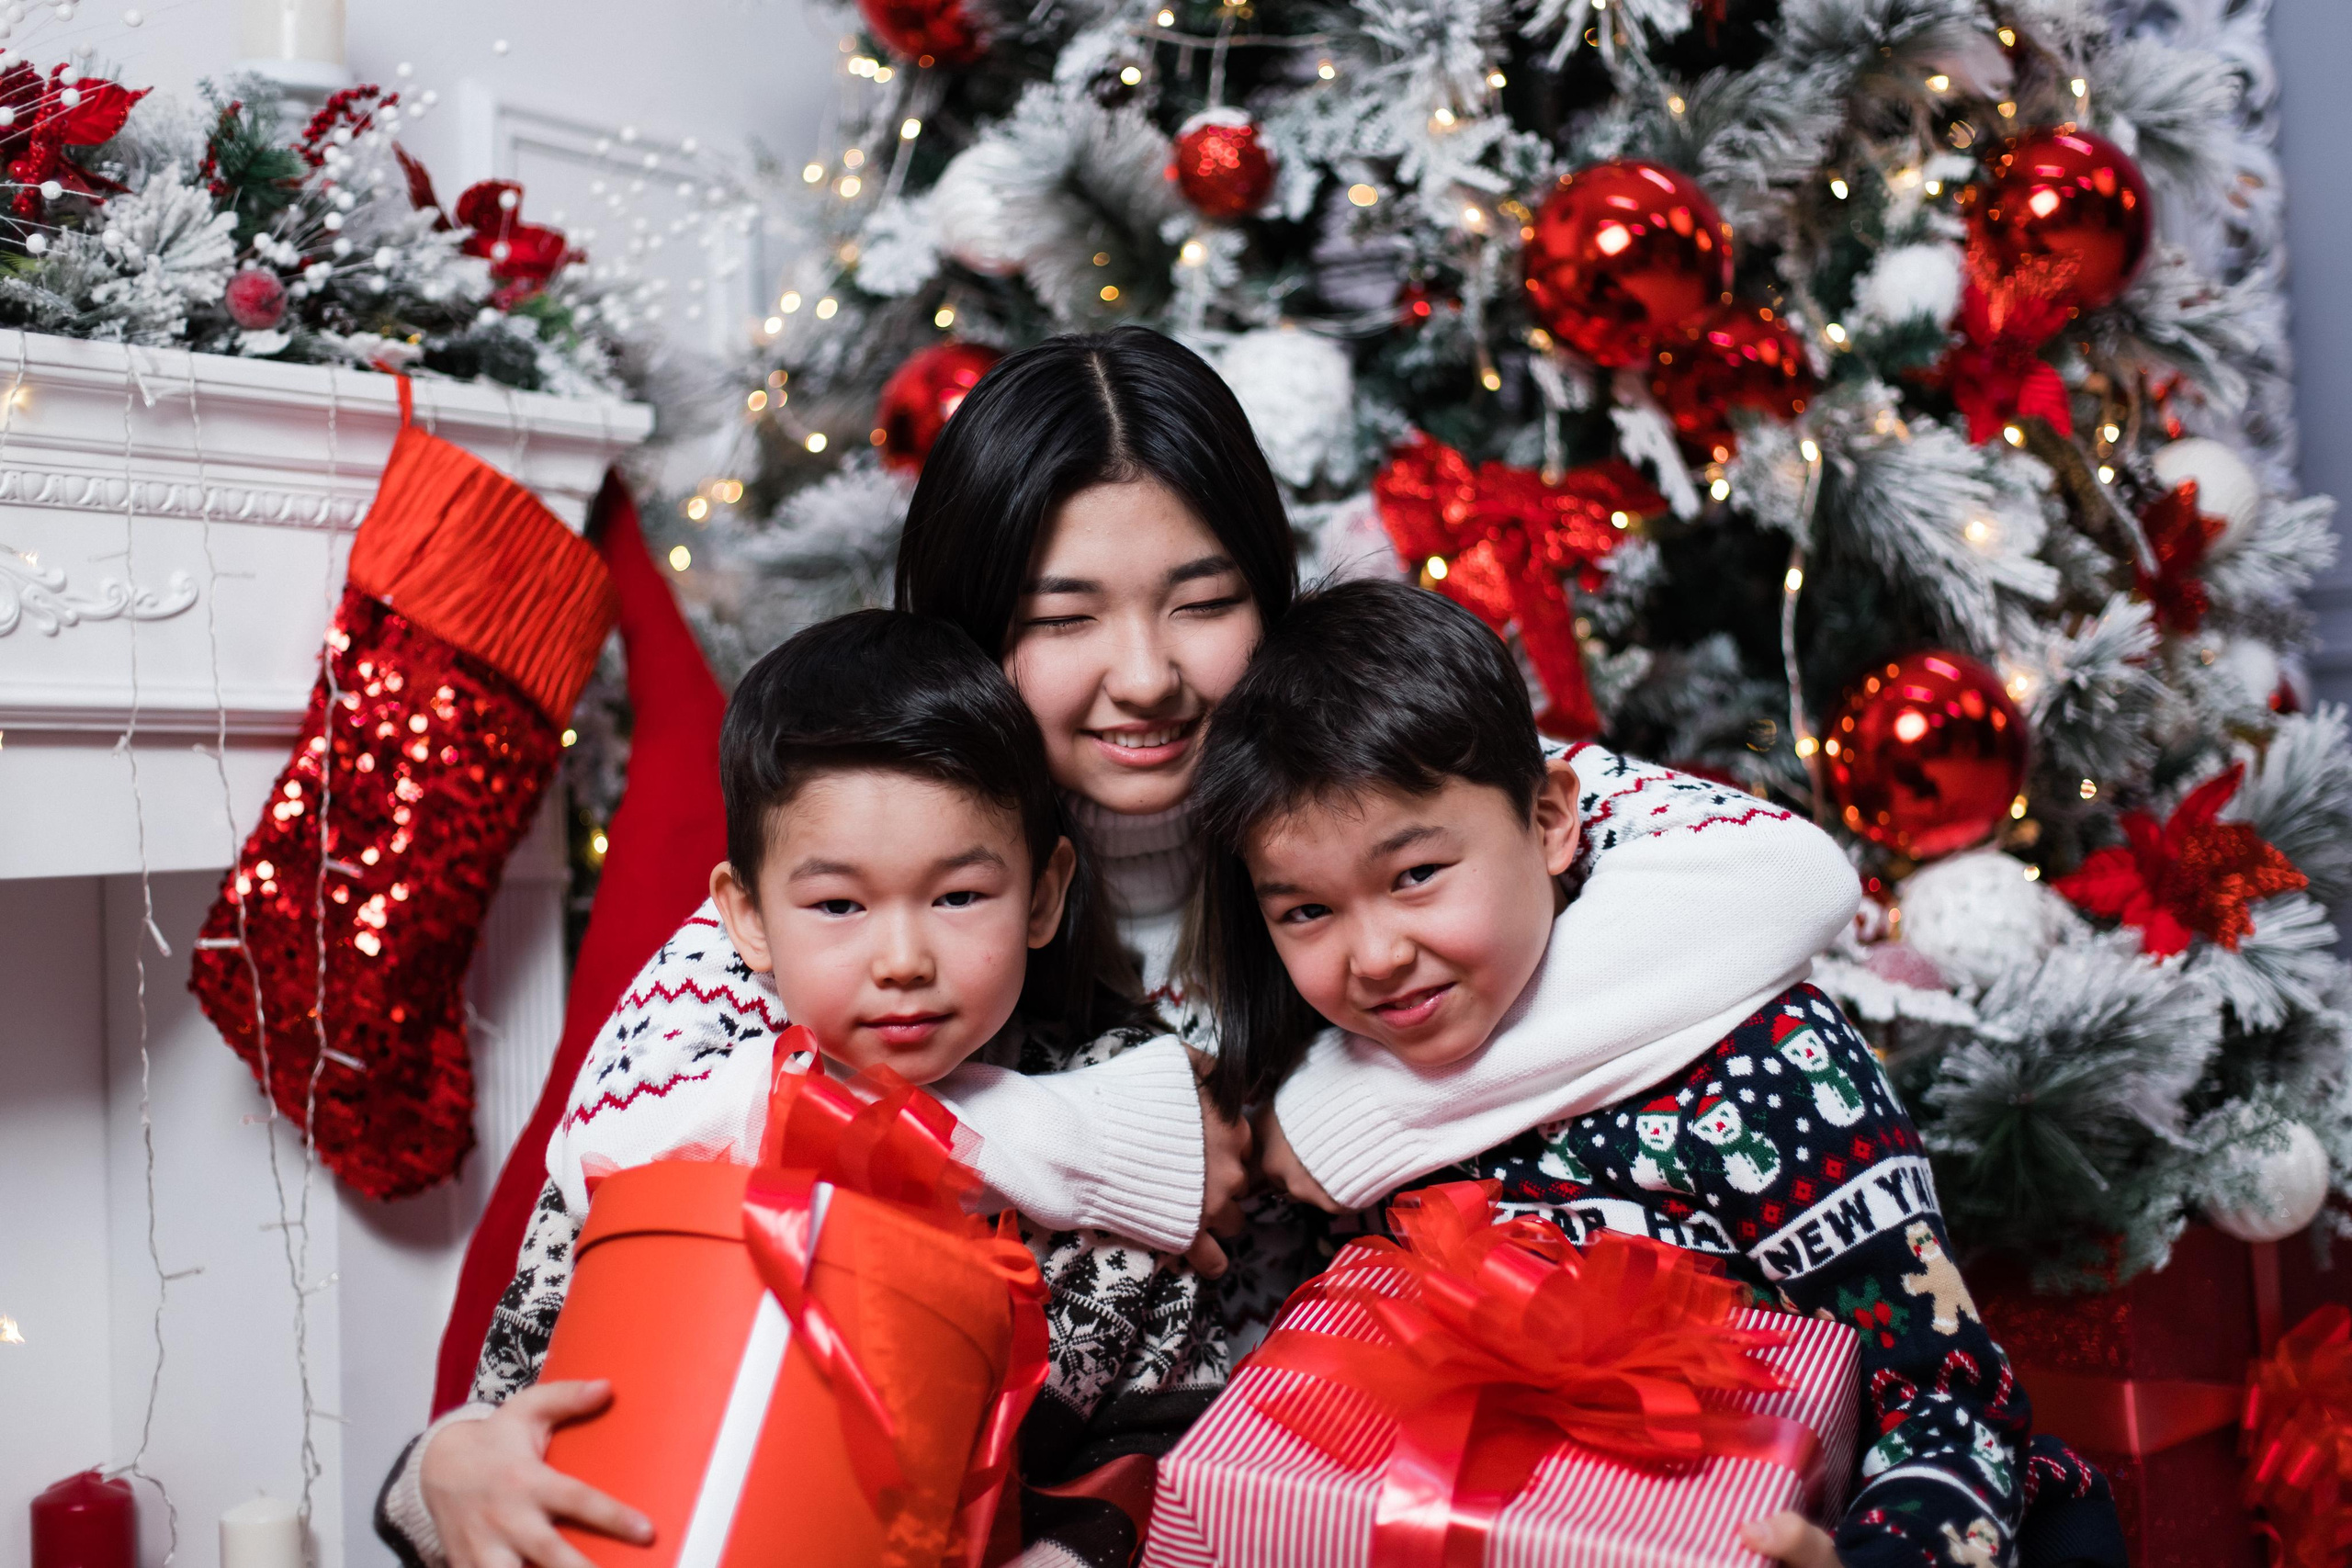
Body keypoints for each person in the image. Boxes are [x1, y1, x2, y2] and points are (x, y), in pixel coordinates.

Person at [389, 325, 1866, 1568]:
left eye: (1203, 602)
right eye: (1065, 617)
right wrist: (1096, 1136)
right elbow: (632, 1173)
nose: (1147, 675)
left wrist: (1334, 1113)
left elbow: (1782, 873)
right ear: (973, 632)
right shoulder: (846, 875)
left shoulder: (1362, 797)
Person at [1193, 578, 2125, 1568]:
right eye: (1307, 911)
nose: (1375, 956)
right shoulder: (1319, 1068)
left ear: (1551, 821)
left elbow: (1948, 1396)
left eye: (1417, 875)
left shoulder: (1767, 1067)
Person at [378, 612, 1225, 1568]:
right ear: (746, 916)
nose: (902, 960)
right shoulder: (665, 1122)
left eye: (958, 897)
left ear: (1042, 894)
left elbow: (1162, 1460)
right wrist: (450, 1465)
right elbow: (515, 1396)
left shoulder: (1121, 1145)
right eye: (838, 905)